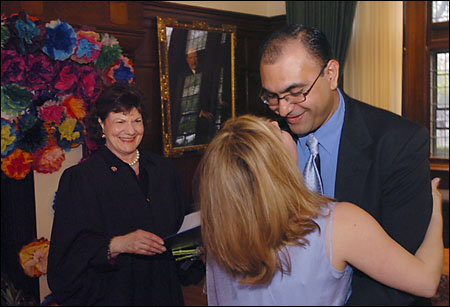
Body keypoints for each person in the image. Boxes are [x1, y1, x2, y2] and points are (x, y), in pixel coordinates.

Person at [257, 24, 433, 305]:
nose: (284, 109)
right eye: (272, 97)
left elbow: (400, 272)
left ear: (330, 74)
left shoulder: (398, 142)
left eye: (296, 92)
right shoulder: (266, 144)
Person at [198, 114, 443, 306]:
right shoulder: (338, 223)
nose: (277, 119)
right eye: (275, 131)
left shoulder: (220, 234)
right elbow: (426, 281)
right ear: (276, 164)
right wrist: (434, 215)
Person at [47, 82, 188, 305]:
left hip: (163, 292)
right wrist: (117, 245)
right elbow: (66, 257)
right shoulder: (81, 179)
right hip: (113, 295)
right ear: (102, 125)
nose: (130, 131)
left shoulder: (164, 170)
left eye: (137, 121)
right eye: (120, 121)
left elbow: (179, 228)